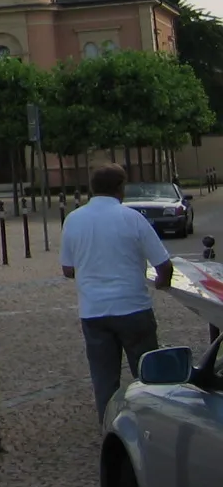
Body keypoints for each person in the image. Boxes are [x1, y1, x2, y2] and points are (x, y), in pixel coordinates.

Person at [60, 164, 174, 422]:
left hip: (94, 311)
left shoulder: (74, 219)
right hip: (133, 306)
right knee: (147, 372)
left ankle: (109, 425)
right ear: (121, 188)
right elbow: (163, 265)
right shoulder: (132, 218)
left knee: (103, 376)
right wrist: (161, 284)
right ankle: (151, 422)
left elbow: (68, 269)